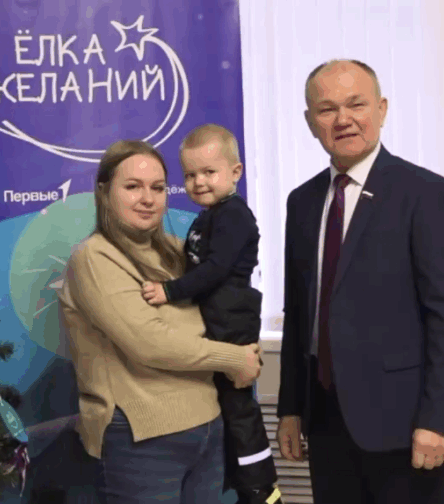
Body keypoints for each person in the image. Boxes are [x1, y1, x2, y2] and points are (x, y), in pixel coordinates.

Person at [276, 59, 444, 504]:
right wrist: (291, 408)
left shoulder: (423, 192)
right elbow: (299, 314)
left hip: (404, 424)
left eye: (356, 104)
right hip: (325, 421)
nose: (342, 119)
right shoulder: (301, 202)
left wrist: (439, 420)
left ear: (381, 109)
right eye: (327, 109)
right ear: (309, 121)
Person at [58, 139, 264, 504]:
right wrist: (236, 358)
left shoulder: (175, 250)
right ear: (104, 192)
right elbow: (151, 343)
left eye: (157, 188)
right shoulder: (94, 258)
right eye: (132, 187)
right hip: (142, 439)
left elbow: (217, 312)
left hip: (209, 425)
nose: (148, 199)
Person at [141, 124, 284, 504]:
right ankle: (239, 481)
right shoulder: (209, 216)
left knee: (237, 404)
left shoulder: (234, 214)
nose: (199, 182)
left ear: (235, 172)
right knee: (222, 402)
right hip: (216, 314)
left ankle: (260, 488)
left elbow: (215, 269)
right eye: (190, 175)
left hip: (231, 315)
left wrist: (169, 291)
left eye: (209, 172)